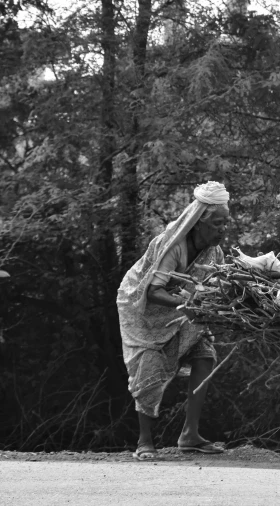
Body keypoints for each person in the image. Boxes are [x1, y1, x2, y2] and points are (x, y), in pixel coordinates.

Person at [116, 181, 230, 460]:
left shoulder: (213, 253)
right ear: (199, 222)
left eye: (226, 223)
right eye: (217, 223)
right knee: (149, 370)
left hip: (180, 309)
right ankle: (145, 442)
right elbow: (152, 291)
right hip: (141, 309)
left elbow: (212, 287)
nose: (223, 229)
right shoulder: (173, 245)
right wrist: (187, 305)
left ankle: (190, 435)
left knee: (205, 356)